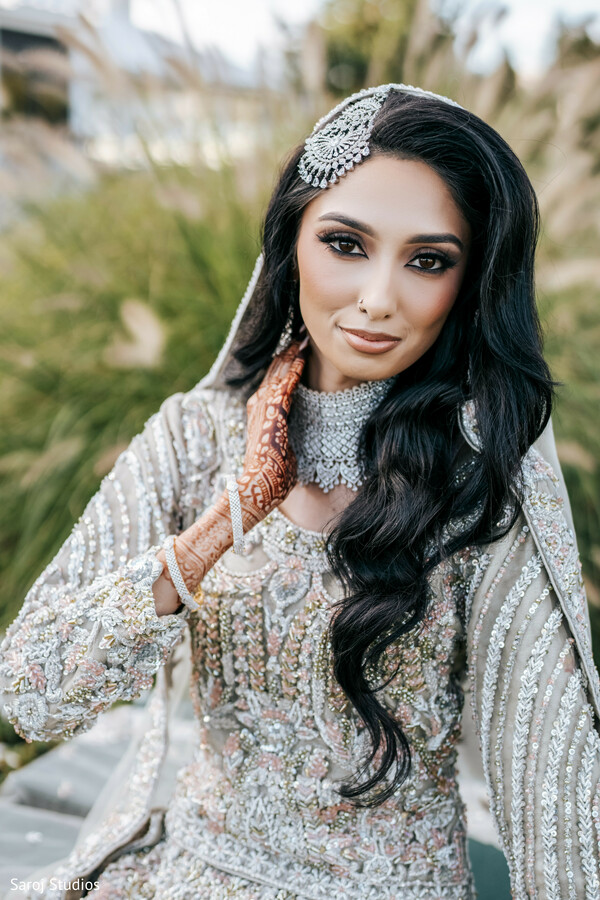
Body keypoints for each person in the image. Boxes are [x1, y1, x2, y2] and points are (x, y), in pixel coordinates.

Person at [1, 83, 599, 900]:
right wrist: (229, 516)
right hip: (192, 875)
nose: (379, 298)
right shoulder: (196, 436)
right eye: (346, 243)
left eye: (428, 260)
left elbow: (552, 786)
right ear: (291, 240)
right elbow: (31, 694)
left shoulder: (478, 475)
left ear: (469, 283)